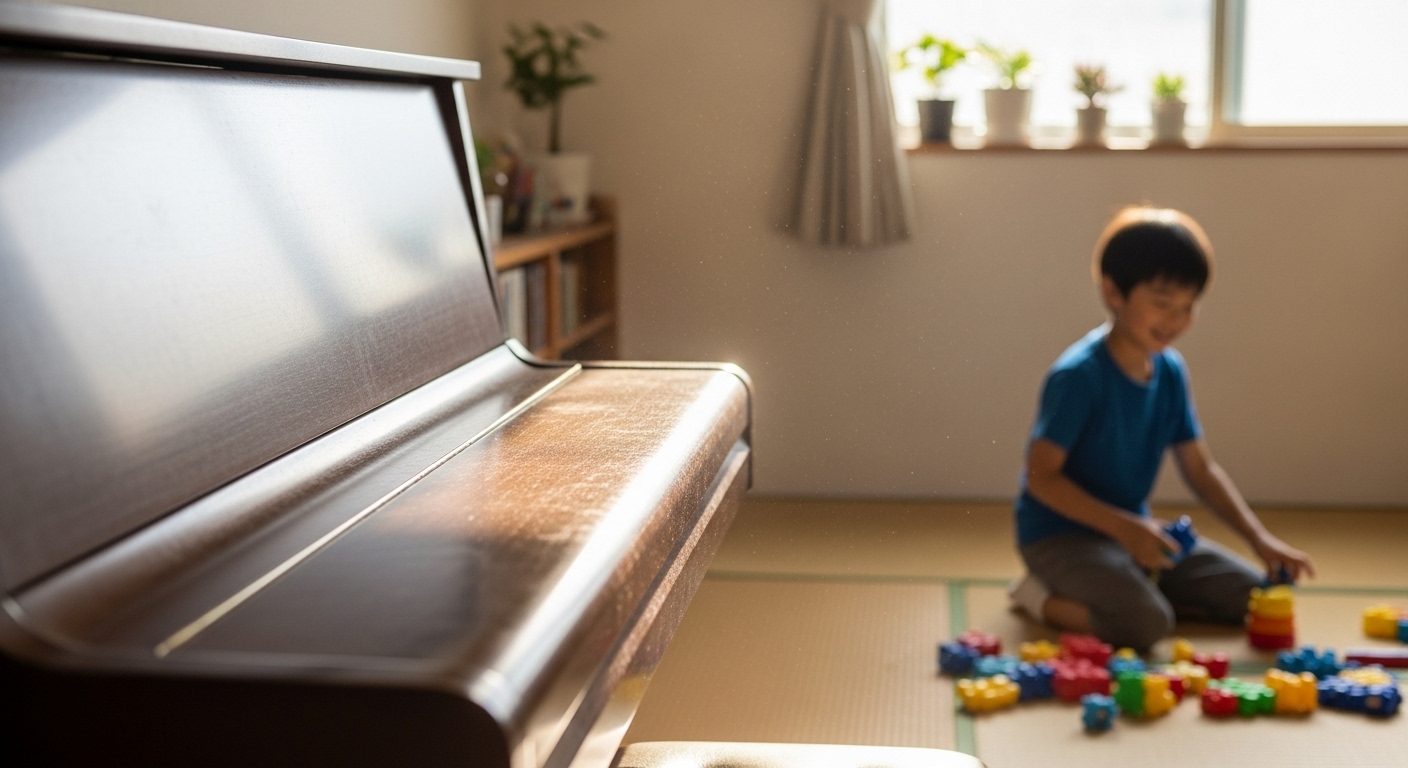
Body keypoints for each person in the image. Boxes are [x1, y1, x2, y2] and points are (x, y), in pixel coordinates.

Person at [1007, 206, 1315, 652]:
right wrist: (1128, 529)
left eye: (1188, 307)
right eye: (1162, 303)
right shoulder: (1078, 376)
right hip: (1060, 537)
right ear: (1114, 292)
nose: (1175, 320)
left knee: (1255, 598)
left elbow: (1201, 469)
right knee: (1144, 627)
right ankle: (1036, 595)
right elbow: (1040, 477)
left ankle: (1134, 586)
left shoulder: (1170, 372)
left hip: (1132, 535)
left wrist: (1260, 540)